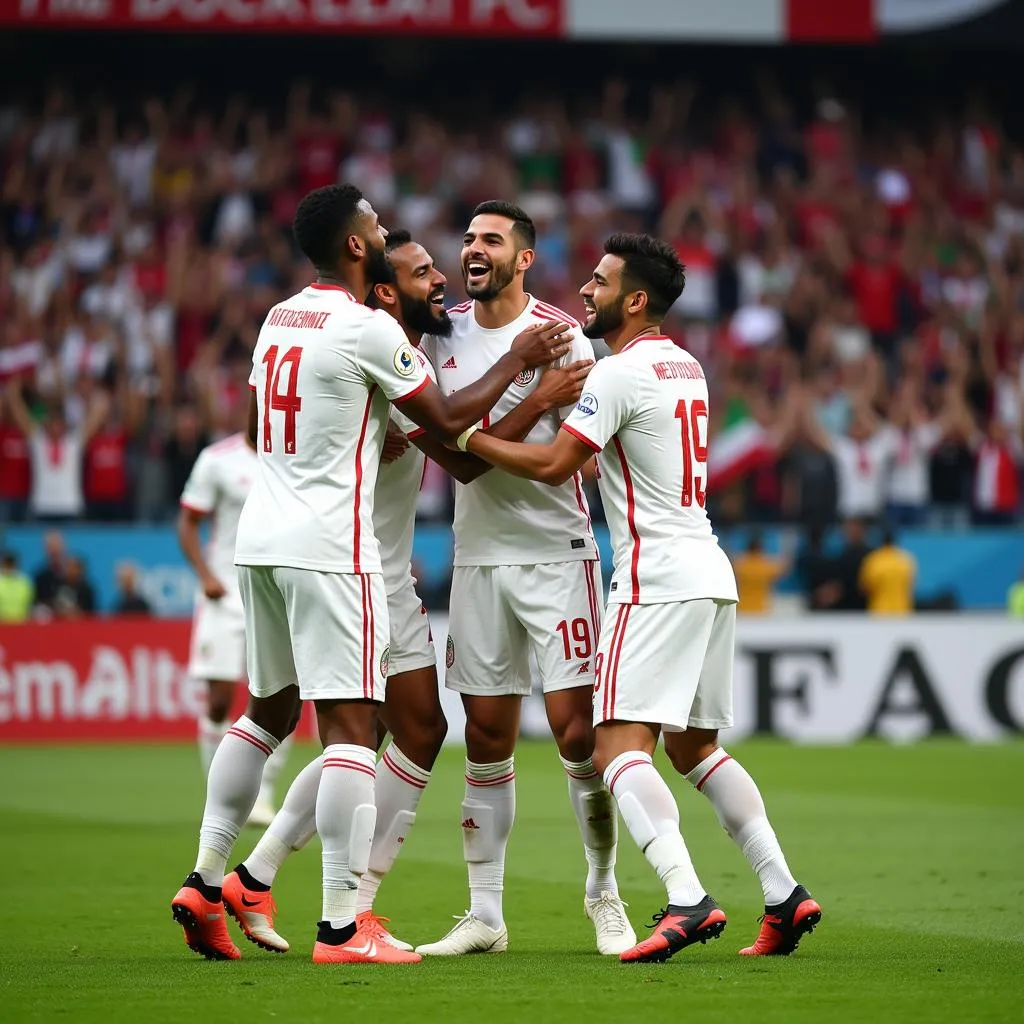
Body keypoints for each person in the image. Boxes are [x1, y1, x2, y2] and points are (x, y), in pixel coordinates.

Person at [169, 183, 573, 966]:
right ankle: (342, 924)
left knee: (271, 714)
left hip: (263, 539)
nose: (433, 276)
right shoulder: (375, 340)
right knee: (357, 731)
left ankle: (215, 877)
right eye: (386, 236)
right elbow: (456, 438)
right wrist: (527, 366)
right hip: (340, 553)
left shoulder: (281, 316)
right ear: (361, 253)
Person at [460, 233, 821, 964]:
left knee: (616, 745)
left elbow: (560, 463)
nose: (583, 292)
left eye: (597, 282)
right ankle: (782, 893)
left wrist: (472, 439)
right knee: (695, 746)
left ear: (633, 299)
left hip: (653, 578)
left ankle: (687, 897)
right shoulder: (687, 366)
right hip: (708, 571)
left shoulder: (617, 373)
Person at [412, 201, 633, 958]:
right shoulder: (438, 333)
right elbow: (455, 457)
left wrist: (481, 426)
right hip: (476, 557)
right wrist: (533, 399)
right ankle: (486, 915)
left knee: (579, 735)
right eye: (468, 238)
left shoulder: (567, 337)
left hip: (557, 552)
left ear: (524, 258)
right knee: (486, 736)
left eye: (491, 241)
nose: (473, 250)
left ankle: (603, 892)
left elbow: (574, 455)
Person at [177, 404, 293, 827]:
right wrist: (205, 574)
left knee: (283, 695)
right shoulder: (217, 459)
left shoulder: (291, 452)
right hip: (225, 592)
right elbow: (188, 522)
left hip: (278, 590)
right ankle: (220, 793)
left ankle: (262, 795)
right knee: (220, 698)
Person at [859, 529, 916, 615]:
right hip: (902, 610)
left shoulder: (874, 559)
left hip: (879, 610)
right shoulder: (905, 559)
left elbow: (865, 587)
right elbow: (911, 585)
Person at [732, 532, 789, 615]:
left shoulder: (739, 563)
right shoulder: (766, 565)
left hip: (742, 607)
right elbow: (785, 569)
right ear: (760, 549)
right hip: (762, 608)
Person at [0, 550, 34, 622]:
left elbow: (29, 606)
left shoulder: (25, 582)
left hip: (21, 624)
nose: (9, 566)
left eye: (11, 563)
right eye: (7, 563)